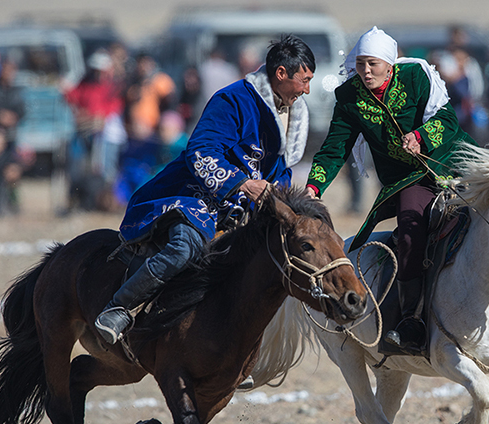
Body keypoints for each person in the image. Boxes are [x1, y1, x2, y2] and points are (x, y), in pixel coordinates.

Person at [95, 35, 316, 345]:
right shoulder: (233, 100)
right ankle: (117, 308)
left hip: (243, 208)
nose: (307, 89)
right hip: (192, 193)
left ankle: (229, 355)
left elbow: (279, 172)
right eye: (304, 80)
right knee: (186, 248)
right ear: (281, 74)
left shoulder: (291, 114)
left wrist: (289, 200)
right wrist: (241, 182)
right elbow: (201, 150)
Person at [304, 27, 478, 352]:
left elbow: (448, 120)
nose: (365, 71)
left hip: (454, 160)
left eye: (372, 64)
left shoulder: (415, 76)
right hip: (407, 178)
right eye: (359, 64)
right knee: (411, 230)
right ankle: (411, 319)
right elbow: (334, 149)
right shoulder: (350, 97)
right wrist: (314, 186)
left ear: (390, 63)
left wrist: (421, 137)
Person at [64, 50, 124, 212]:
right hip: (85, 132)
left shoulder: (112, 87)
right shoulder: (85, 83)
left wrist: (97, 117)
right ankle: (78, 201)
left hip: (105, 135)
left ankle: (105, 202)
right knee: (78, 168)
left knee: (104, 170)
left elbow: (111, 109)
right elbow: (72, 97)